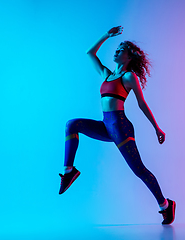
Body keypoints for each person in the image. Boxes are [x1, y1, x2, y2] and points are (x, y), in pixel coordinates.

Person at [59, 26, 176, 225]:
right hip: (107, 126)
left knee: (139, 170)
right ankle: (69, 171)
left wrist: (157, 128)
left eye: (121, 50)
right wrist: (106, 35)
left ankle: (165, 205)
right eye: (117, 48)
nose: (116, 51)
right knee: (72, 124)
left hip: (121, 127)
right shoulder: (106, 74)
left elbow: (141, 103)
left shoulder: (129, 77)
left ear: (129, 57)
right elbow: (89, 53)